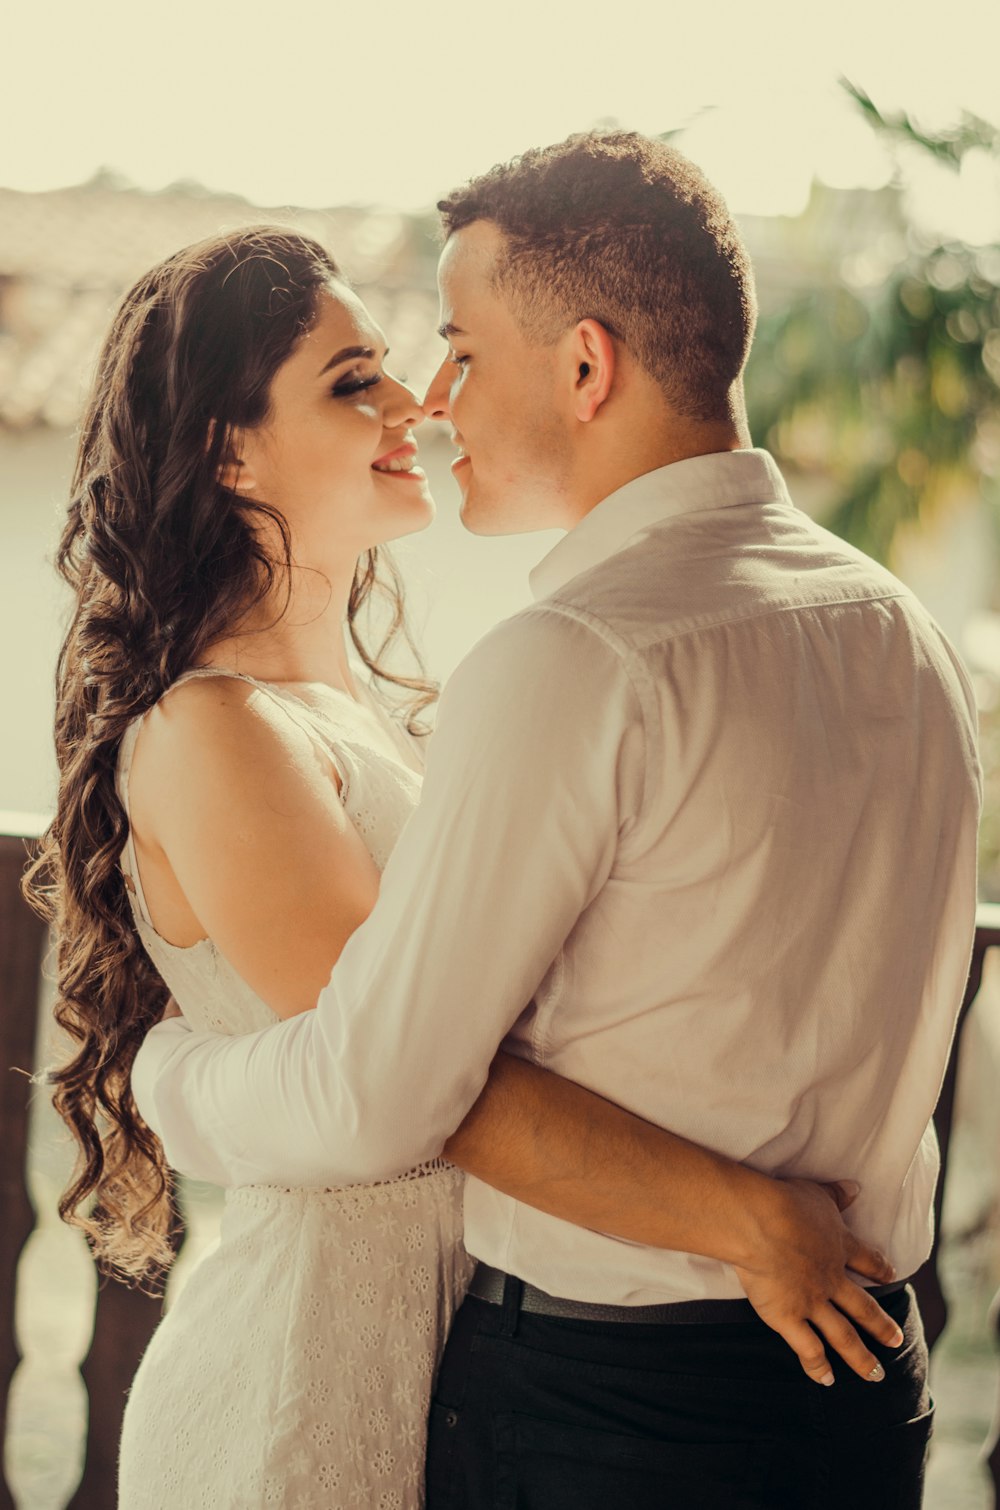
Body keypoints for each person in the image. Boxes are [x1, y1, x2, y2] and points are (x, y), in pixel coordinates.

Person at [26, 224, 899, 1510]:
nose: (413, 402)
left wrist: (183, 1078)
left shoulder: (377, 718)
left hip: (467, 1373)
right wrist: (750, 1221)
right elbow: (404, 1087)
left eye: (394, 365)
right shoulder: (214, 731)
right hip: (310, 1384)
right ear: (227, 447)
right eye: (351, 380)